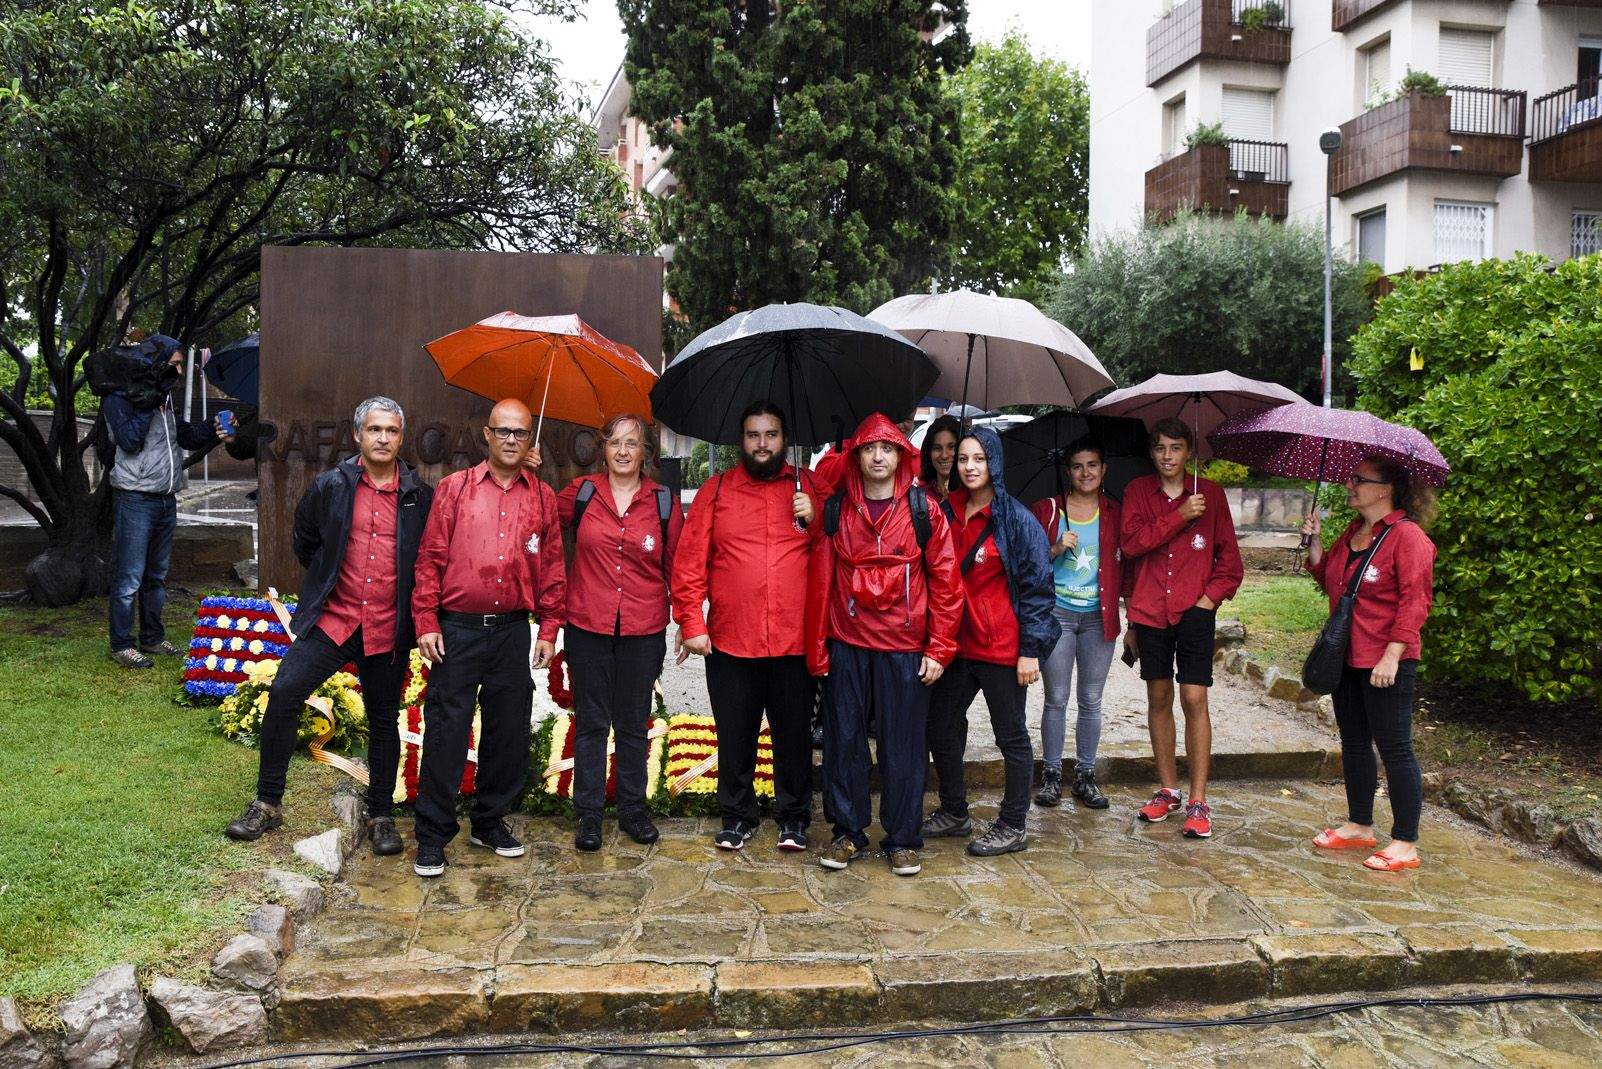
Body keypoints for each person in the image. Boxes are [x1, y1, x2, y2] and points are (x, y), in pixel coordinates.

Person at [225, 397, 430, 855]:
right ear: (357, 435)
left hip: (387, 626)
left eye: (391, 431)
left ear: (401, 438)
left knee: (383, 718)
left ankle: (381, 814)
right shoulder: (331, 485)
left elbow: (426, 557)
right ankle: (267, 804)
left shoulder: (418, 495)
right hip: (335, 620)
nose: (383, 438)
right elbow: (306, 541)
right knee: (284, 692)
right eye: (374, 429)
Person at [410, 399, 566, 878]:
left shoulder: (542, 497)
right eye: (503, 431)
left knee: (508, 732)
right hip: (457, 631)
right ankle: (433, 836)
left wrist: (549, 628)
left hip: (512, 632)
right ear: (487, 434)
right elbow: (430, 559)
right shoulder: (454, 489)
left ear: (530, 439)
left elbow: (553, 567)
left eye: (520, 432)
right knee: (447, 732)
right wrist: (426, 620)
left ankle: (490, 821)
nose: (511, 440)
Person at [805, 413, 962, 876]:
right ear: (856, 457)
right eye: (869, 449)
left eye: (887, 448)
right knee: (843, 743)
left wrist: (939, 647)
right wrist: (818, 649)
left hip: (904, 648)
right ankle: (847, 832)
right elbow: (821, 582)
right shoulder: (836, 510)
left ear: (901, 455)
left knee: (904, 747)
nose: (878, 457)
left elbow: (947, 582)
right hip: (847, 643)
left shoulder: (924, 510)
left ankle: (903, 838)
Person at [670, 401, 818, 852]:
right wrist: (691, 621)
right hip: (732, 640)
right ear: (742, 441)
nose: (762, 444)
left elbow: (837, 551)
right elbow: (690, 562)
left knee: (794, 737)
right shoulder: (716, 491)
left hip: (794, 640)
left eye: (771, 434)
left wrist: (817, 519)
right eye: (754, 435)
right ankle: (737, 816)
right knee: (735, 736)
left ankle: (794, 818)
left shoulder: (808, 488)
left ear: (784, 440)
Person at [922, 427, 1057, 856]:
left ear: (994, 462)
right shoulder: (945, 510)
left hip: (1002, 647)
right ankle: (954, 811)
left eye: (979, 458)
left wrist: (1030, 650)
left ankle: (1013, 824)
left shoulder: (1016, 520)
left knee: (1010, 736)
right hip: (955, 645)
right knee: (941, 726)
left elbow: (1038, 589)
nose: (969, 466)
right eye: (963, 458)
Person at [1303, 456, 1436, 872]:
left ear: (1385, 490)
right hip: (1346, 655)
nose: (1350, 484)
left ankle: (1405, 843)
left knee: (1395, 748)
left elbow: (1416, 601)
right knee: (1355, 743)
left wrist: (1393, 654)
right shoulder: (1354, 532)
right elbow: (1333, 582)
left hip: (1386, 659)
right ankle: (1360, 824)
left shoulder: (1407, 537)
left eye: (1359, 479)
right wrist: (1316, 544)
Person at [557, 414, 683, 853]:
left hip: (643, 628)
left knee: (633, 721)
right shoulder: (582, 493)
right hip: (587, 625)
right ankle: (589, 815)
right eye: (615, 443)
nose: (624, 451)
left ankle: (632, 810)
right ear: (604, 449)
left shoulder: (663, 501)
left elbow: (677, 566)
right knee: (591, 722)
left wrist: (686, 620)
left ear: (645, 452)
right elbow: (538, 521)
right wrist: (528, 473)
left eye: (632, 443)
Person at [1120, 417, 1242, 840]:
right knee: (1158, 696)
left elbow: (1231, 564)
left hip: (1195, 611)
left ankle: (1198, 799)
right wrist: (1179, 516)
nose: (1167, 456)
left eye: (1175, 447)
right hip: (1151, 610)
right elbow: (1131, 545)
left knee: (1194, 697)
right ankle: (1168, 789)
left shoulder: (1211, 495)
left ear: (1190, 451)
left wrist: (1207, 603)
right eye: (1159, 448)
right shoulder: (1138, 492)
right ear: (1151, 453)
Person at [103, 334, 230, 668]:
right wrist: (149, 399)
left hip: (165, 499)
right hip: (135, 498)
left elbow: (184, 436)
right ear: (156, 364)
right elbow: (129, 440)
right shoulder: (120, 397)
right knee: (129, 577)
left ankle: (152, 638)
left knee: (156, 576)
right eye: (174, 364)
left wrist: (212, 427)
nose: (179, 371)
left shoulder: (164, 400)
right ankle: (121, 645)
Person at [1029, 438, 1126, 810]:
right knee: (1056, 698)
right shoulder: (1048, 510)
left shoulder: (1115, 512)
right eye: (1077, 466)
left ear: (1103, 470)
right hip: (1058, 616)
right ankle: (1051, 775)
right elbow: (1027, 561)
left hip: (1098, 618)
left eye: (1092, 465)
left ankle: (1085, 775)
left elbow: (1128, 560)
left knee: (1091, 699)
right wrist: (1055, 547)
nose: (1085, 473)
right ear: (1067, 471)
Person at [918, 414, 962, 504]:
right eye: (937, 448)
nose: (944, 456)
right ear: (929, 452)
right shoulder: (920, 497)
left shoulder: (973, 495)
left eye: (952, 447)